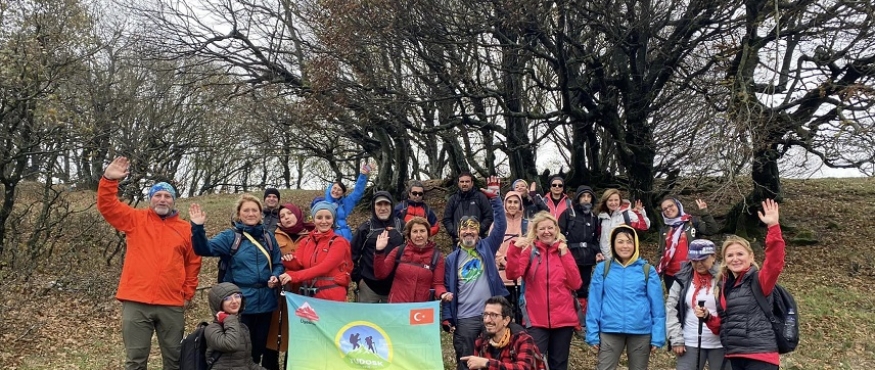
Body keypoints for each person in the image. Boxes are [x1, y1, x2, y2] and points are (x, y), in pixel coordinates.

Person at [97, 157, 202, 370]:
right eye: (157, 195)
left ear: (173, 201)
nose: (162, 200)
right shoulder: (135, 219)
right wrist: (108, 180)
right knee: (135, 361)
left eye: (167, 196)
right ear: (150, 199)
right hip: (136, 301)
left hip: (171, 303)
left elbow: (193, 263)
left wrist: (187, 294)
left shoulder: (185, 229)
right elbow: (108, 207)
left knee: (175, 360)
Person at [190, 195, 283, 369]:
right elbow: (203, 249)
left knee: (258, 350)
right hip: (239, 304)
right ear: (239, 214)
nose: (250, 213)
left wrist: (275, 276)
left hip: (266, 303)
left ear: (260, 214)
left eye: (254, 210)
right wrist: (198, 227)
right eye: (246, 210)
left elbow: (278, 263)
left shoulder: (269, 238)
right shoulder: (230, 237)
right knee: (238, 352)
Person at [704, 199, 785, 370]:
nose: (735, 259)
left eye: (740, 254)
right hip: (735, 356)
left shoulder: (759, 280)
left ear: (750, 257)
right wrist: (707, 318)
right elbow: (722, 325)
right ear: (724, 260)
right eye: (730, 255)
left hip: (760, 356)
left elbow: (774, 263)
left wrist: (773, 227)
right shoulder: (724, 286)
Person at [443, 176, 507, 370]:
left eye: (473, 228)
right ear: (458, 233)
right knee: (466, 361)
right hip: (465, 319)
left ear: (479, 232)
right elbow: (448, 288)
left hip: (491, 315)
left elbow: (501, 225)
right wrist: (447, 316)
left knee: (493, 361)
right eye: (464, 229)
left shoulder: (487, 246)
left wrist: (495, 198)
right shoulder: (452, 259)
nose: (468, 232)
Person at [505, 212, 581, 370]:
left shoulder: (563, 252)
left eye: (550, 228)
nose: (546, 231)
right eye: (542, 228)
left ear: (556, 230)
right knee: (533, 362)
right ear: (536, 231)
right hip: (535, 319)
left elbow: (576, 283)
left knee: (559, 364)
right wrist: (514, 250)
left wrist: (565, 254)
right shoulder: (530, 251)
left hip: (563, 319)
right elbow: (512, 274)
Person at [586, 225, 665, 370]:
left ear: (635, 244)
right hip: (609, 330)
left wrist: (658, 336)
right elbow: (594, 304)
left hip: (641, 331)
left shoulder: (647, 270)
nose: (625, 246)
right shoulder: (603, 269)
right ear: (613, 244)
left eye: (629, 242)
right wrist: (592, 333)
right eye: (620, 241)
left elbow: (657, 308)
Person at [665, 239, 730, 370]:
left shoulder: (725, 279)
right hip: (690, 341)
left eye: (703, 259)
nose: (698, 264)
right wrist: (676, 338)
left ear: (713, 257)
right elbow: (671, 309)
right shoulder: (682, 278)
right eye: (694, 260)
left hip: (721, 343)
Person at [265, 203, 315, 367]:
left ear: (297, 214)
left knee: (295, 331)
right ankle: (270, 364)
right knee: (272, 330)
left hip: (302, 292)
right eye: (282, 216)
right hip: (277, 291)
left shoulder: (311, 236)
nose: (286, 218)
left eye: (289, 214)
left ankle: (291, 364)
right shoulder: (273, 236)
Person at [278, 201, 353, 302]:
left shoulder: (339, 242)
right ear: (313, 220)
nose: (323, 221)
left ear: (333, 220)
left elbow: (324, 267)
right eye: (319, 217)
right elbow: (298, 264)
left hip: (331, 296)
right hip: (308, 294)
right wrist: (289, 261)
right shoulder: (306, 241)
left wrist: (294, 276)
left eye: (328, 217)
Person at [373, 217, 449, 303]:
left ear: (428, 233)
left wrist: (443, 294)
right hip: (397, 307)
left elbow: (438, 284)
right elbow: (380, 274)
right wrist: (379, 251)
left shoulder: (437, 257)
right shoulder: (398, 251)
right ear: (409, 234)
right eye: (415, 231)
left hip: (421, 309)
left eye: (422, 231)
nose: (419, 235)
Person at [351, 191, 405, 303]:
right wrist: (358, 279)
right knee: (366, 320)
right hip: (368, 286)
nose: (383, 208)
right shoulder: (365, 228)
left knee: (391, 320)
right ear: (373, 207)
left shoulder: (401, 226)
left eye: (386, 204)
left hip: (395, 285)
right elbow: (351, 255)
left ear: (391, 206)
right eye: (379, 204)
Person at [460, 296, 541, 370]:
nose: (487, 320)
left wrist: (487, 363)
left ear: (506, 320)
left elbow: (523, 368)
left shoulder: (523, 340)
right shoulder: (481, 341)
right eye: (485, 315)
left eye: (493, 315)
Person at [558, 185, 602, 320]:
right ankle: (568, 316)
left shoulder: (594, 217)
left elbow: (595, 239)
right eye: (583, 196)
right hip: (570, 257)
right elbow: (558, 234)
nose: (586, 199)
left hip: (587, 258)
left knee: (584, 287)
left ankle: (581, 319)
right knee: (569, 287)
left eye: (589, 197)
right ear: (578, 198)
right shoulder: (568, 214)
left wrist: (597, 252)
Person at [657, 198, 719, 290]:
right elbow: (661, 252)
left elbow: (712, 230)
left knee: (692, 302)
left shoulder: (691, 222)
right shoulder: (664, 230)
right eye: (665, 209)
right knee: (676, 303)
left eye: (671, 206)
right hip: (671, 275)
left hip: (692, 272)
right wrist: (657, 271)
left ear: (678, 205)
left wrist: (705, 213)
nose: (668, 210)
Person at [204, 282, 267, 370]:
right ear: (218, 303)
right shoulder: (212, 329)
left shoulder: (243, 328)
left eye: (237, 296)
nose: (234, 301)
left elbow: (248, 363)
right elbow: (231, 345)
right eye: (227, 298)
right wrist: (229, 318)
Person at [493, 191, 528, 321]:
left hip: (521, 276)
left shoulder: (527, 225)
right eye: (509, 202)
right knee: (504, 311)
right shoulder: (498, 224)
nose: (512, 205)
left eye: (515, 202)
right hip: (502, 274)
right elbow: (492, 245)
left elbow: (530, 246)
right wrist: (501, 260)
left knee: (521, 311)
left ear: (520, 205)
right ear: (505, 204)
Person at [443, 172, 494, 247]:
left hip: (478, 240)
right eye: (462, 181)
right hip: (458, 241)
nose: (464, 184)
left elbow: (489, 217)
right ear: (458, 183)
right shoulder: (453, 199)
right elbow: (446, 219)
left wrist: (478, 230)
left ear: (472, 183)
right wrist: (455, 232)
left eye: (467, 181)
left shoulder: (480, 197)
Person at [596, 189, 651, 258]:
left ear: (620, 201)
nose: (613, 203)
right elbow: (598, 237)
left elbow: (645, 226)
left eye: (616, 200)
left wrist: (639, 213)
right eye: (610, 200)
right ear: (605, 201)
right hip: (605, 260)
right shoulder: (601, 217)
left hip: (623, 259)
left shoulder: (627, 214)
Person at [324, 163, 372, 241]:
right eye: (334, 188)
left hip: (346, 237)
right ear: (330, 189)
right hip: (330, 238)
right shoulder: (322, 203)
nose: (336, 191)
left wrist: (363, 175)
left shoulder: (344, 204)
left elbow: (357, 193)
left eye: (339, 190)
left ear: (342, 194)